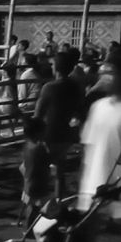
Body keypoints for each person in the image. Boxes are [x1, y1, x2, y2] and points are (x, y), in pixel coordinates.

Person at [76, 57, 121, 223]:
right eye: (103, 73)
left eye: (110, 73)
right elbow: (88, 148)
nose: (105, 78)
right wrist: (82, 182)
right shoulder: (97, 107)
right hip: (92, 188)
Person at [32, 53, 84, 198]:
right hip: (66, 133)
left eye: (53, 65)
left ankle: (38, 204)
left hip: (49, 133)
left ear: (57, 68)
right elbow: (80, 110)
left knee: (39, 170)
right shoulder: (75, 86)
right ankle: (58, 201)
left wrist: (33, 132)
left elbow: (38, 113)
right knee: (59, 171)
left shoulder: (49, 87)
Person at [19, 116, 51, 227]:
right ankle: (31, 229)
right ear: (38, 133)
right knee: (39, 209)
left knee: (30, 206)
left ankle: (26, 228)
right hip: (39, 183)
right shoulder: (39, 148)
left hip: (28, 181)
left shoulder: (27, 146)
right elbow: (48, 161)